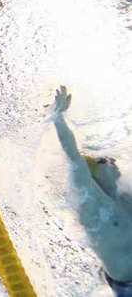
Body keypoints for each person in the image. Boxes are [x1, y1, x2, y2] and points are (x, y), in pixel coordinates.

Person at [50, 86, 132, 295]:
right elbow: (73, 157)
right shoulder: (91, 208)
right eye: (108, 163)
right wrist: (58, 118)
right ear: (96, 175)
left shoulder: (123, 195)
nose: (116, 168)